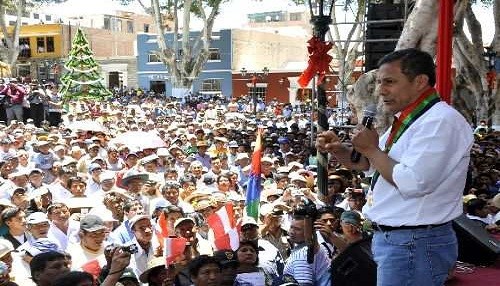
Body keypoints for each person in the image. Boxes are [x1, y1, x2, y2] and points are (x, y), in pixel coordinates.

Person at [316, 48, 474, 286]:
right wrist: (341, 150)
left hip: (415, 242)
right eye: (379, 82)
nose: (380, 90)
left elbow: (413, 183)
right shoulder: (410, 120)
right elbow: (374, 167)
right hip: (399, 241)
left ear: (420, 81)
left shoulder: (441, 121)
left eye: (389, 82)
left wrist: (371, 149)